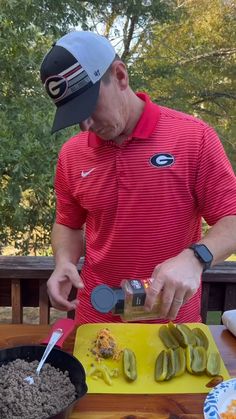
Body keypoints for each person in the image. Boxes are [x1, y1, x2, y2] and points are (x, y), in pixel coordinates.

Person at [40, 30, 236, 325]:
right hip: (97, 318)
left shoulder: (193, 138)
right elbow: (68, 222)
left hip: (171, 323)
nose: (85, 125)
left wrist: (196, 257)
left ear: (120, 76)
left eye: (89, 107)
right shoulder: (72, 154)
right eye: (74, 115)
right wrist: (64, 262)